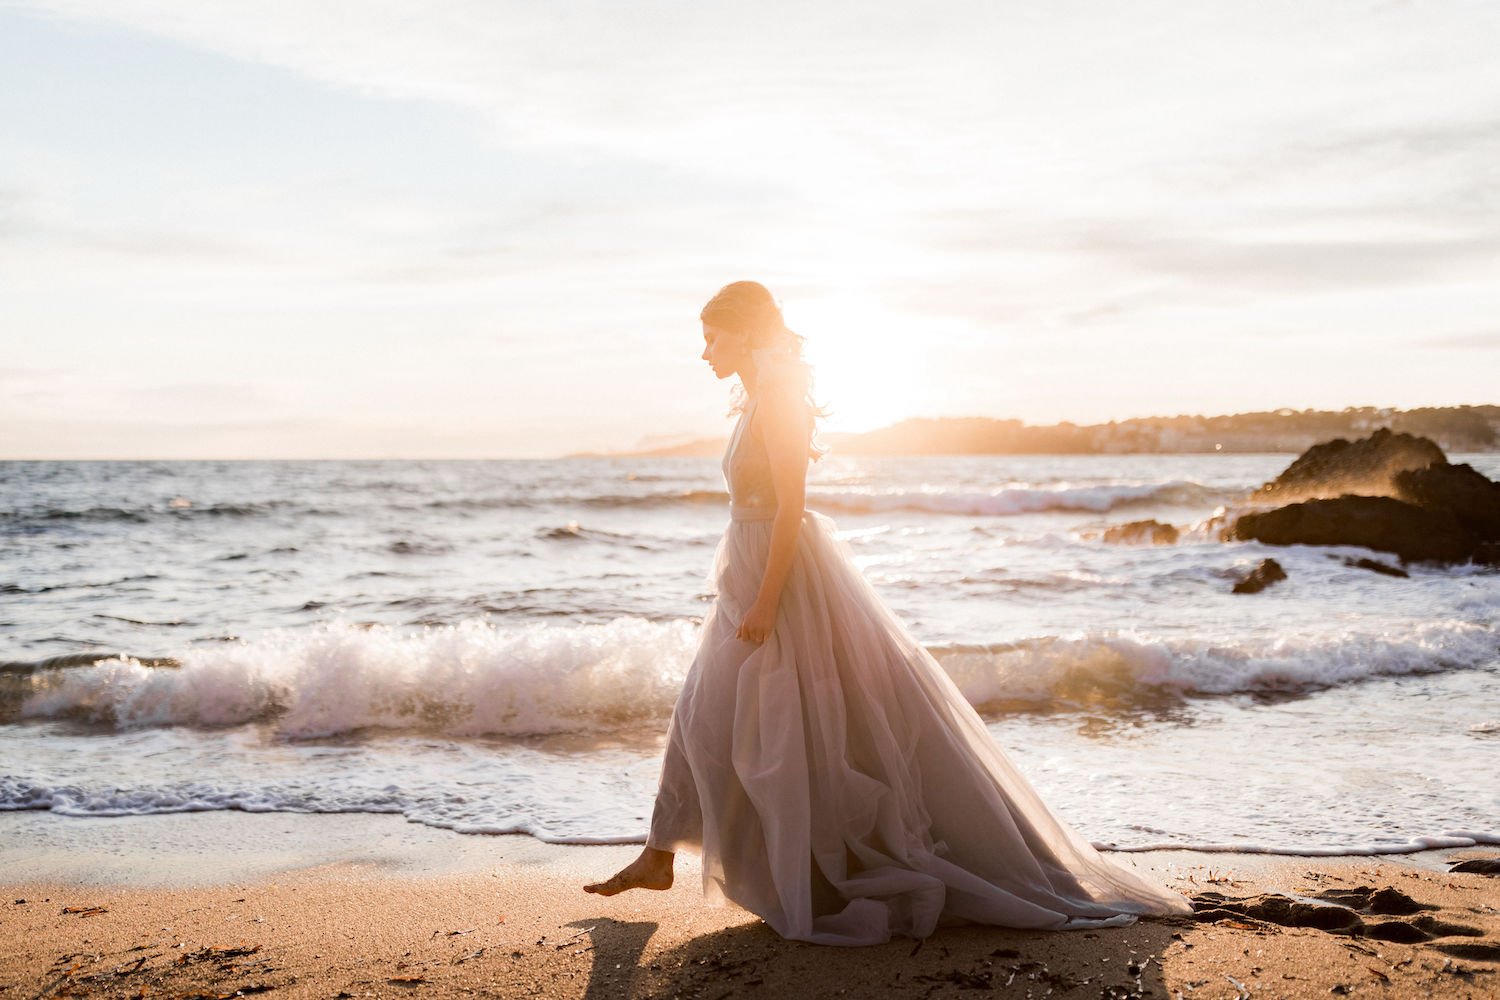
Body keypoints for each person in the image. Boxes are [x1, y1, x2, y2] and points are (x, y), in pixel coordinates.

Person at [584, 281, 1191, 945]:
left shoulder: (780, 399)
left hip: (782, 579)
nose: (704, 352)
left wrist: (767, 597)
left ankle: (754, 860)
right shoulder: (756, 398)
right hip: (750, 572)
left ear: (747, 332)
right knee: (710, 711)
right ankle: (662, 854)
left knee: (777, 720)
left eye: (712, 336)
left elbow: (791, 505)